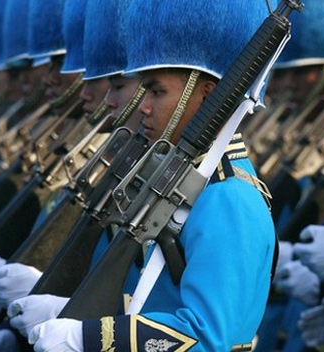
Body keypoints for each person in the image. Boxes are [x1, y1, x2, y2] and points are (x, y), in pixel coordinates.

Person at [26, 0, 277, 351]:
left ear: (208, 96)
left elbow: (204, 336)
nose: (143, 106)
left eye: (157, 91)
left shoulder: (228, 196)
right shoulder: (187, 181)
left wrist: (90, 337)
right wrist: (67, 310)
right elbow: (151, 299)